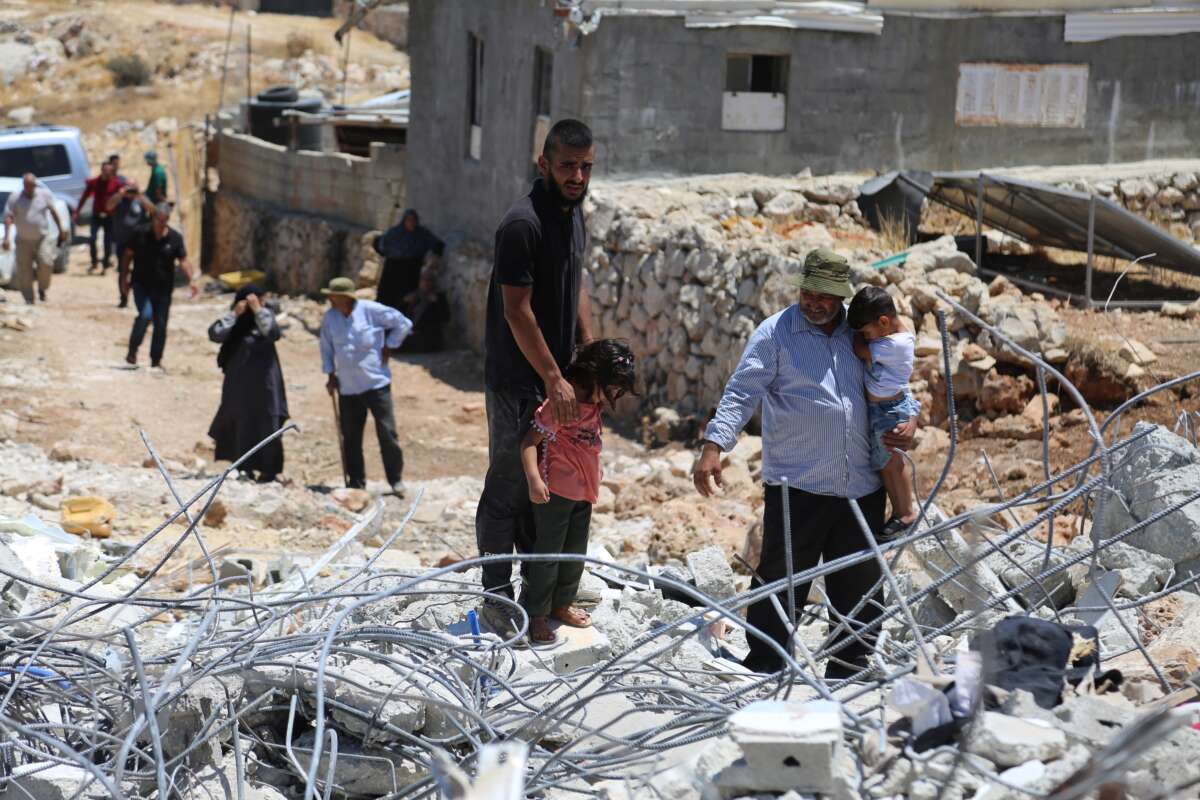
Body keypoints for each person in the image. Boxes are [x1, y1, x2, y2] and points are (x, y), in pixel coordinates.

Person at [693, 247, 916, 680]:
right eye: (809, 292)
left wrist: (909, 420)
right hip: (799, 484)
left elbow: (895, 382)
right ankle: (766, 664)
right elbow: (742, 392)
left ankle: (850, 667)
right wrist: (714, 445)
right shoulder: (776, 334)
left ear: (841, 297)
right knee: (783, 576)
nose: (815, 302)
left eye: (826, 296)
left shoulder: (861, 334)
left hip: (860, 485)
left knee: (859, 581)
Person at [475, 118, 596, 633]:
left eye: (586, 167)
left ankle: (542, 601)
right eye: (568, 165)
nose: (577, 176)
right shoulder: (521, 224)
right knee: (509, 489)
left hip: (559, 380)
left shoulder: (572, 213)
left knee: (554, 493)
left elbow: (576, 282)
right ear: (543, 163)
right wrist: (552, 376)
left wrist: (589, 352)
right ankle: (500, 601)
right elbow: (517, 310)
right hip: (520, 382)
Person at [520, 339, 637, 645]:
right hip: (555, 494)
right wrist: (534, 479)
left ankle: (561, 603)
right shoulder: (563, 405)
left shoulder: (593, 405)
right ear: (594, 377)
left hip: (584, 494)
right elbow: (529, 443)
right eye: (612, 388)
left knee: (574, 555)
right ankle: (537, 614)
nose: (612, 396)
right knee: (547, 556)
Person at [319, 276, 413, 495]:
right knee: (351, 437)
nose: (331, 299)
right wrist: (330, 375)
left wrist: (390, 345)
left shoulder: (371, 311)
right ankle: (356, 482)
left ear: (345, 297)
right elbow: (326, 347)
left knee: (387, 433)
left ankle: (395, 480)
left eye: (334, 295)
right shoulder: (330, 319)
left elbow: (403, 323)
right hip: (348, 387)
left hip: (376, 384)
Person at [848, 286, 921, 541]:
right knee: (884, 464)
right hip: (882, 410)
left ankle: (907, 512)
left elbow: (859, 350)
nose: (866, 338)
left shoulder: (895, 344)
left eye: (867, 333)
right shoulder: (887, 336)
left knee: (894, 462)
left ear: (883, 322)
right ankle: (898, 512)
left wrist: (856, 336)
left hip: (890, 410)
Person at [208, 284, 289, 482]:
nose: (261, 303)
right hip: (239, 385)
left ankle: (269, 470)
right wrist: (235, 314)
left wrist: (259, 311)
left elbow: (272, 333)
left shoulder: (266, 316)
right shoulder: (236, 323)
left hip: (266, 385)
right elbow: (215, 334)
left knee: (267, 422)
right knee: (241, 422)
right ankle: (244, 467)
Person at [119, 202, 197, 368]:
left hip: (163, 288)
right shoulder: (140, 233)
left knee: (161, 324)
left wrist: (192, 280)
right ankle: (133, 350)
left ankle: (156, 359)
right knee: (146, 315)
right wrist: (123, 279)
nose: (162, 223)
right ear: (153, 217)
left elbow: (183, 260)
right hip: (141, 284)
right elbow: (127, 255)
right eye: (159, 219)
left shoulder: (175, 238)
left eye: (165, 219)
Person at [2, 173, 68, 305]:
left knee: (46, 262)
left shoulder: (44, 195)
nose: (30, 188)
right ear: (24, 185)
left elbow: (53, 212)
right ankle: (28, 298)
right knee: (24, 269)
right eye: (27, 185)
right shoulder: (15, 198)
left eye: (32, 185)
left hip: (42, 237)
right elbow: (9, 217)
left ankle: (42, 289)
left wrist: (61, 229)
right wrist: (6, 237)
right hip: (23, 239)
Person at [373, 208, 444, 310]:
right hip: (393, 270)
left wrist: (435, 257)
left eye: (414, 220)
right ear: (404, 221)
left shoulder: (422, 234)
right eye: (409, 220)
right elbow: (380, 244)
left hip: (412, 270)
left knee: (408, 300)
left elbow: (437, 244)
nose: (412, 223)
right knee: (387, 299)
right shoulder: (395, 233)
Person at [107, 179, 154, 308]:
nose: (130, 190)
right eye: (128, 187)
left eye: (133, 187)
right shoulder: (119, 200)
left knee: (142, 271)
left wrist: (139, 195)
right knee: (123, 271)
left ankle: (143, 297)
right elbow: (108, 206)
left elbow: (153, 210)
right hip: (122, 242)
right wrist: (120, 194)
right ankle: (123, 297)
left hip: (140, 243)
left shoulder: (141, 200)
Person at [75, 161, 122, 274]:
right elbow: (85, 196)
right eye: (105, 171)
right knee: (92, 238)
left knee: (107, 241)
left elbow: (121, 197)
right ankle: (94, 262)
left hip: (109, 216)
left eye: (109, 171)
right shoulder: (95, 182)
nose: (107, 173)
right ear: (101, 170)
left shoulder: (116, 183)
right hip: (96, 215)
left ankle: (105, 263)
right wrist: (77, 211)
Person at [397, 267, 450, 353]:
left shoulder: (439, 297)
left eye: (429, 280)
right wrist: (404, 302)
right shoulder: (414, 295)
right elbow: (398, 314)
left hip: (427, 335)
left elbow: (445, 317)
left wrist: (436, 303)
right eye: (424, 280)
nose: (426, 283)